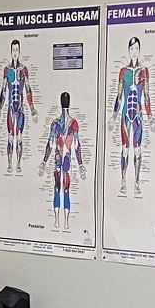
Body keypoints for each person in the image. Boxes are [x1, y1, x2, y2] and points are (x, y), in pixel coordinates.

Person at [112, 36, 150, 194]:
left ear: (139, 50)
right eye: (132, 48)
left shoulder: (144, 71)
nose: (134, 51)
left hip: (138, 115)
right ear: (129, 50)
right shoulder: (123, 72)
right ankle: (123, 180)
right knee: (125, 149)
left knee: (138, 149)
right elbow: (119, 95)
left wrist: (150, 115)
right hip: (125, 115)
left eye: (136, 48)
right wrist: (114, 114)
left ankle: (136, 181)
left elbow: (146, 95)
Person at [47, 91, 85, 232]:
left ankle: (58, 220)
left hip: (60, 159)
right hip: (64, 159)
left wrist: (44, 161)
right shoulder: (72, 123)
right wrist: (80, 164)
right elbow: (77, 145)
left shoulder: (56, 123)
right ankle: (64, 221)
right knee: (63, 189)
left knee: (58, 188)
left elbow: (50, 143)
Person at [0, 38, 36, 174]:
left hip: (20, 109)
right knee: (10, 137)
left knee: (19, 137)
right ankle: (9, 164)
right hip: (10, 108)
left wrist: (32, 108)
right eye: (13, 50)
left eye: (17, 50)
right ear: (11, 51)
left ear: (19, 51)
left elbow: (28, 89)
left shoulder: (23, 70)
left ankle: (18, 164)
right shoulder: (7, 70)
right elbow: (3, 90)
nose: (15, 52)